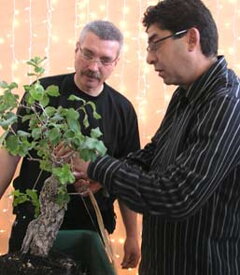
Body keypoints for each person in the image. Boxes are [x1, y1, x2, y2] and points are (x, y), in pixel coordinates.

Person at [69, 1, 240, 275]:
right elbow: (153, 155)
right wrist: (105, 175)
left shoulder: (228, 104)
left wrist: (96, 165)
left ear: (191, 39)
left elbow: (176, 195)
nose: (149, 57)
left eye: (155, 43)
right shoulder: (185, 95)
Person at [0, 20, 140, 270]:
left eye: (105, 60)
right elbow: (11, 153)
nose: (94, 67)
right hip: (34, 222)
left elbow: (128, 174)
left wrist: (132, 235)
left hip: (89, 230)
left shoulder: (123, 110)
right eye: (88, 54)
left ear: (115, 63)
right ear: (77, 49)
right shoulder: (42, 94)